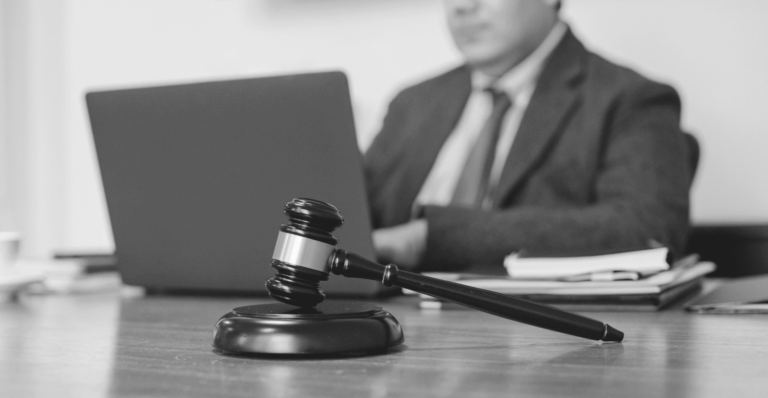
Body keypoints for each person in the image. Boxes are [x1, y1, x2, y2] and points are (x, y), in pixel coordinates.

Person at [365, 0, 692, 272]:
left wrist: (428, 238)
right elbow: (354, 213)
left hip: (534, 336)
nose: (463, 6)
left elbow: (645, 227)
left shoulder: (630, 98)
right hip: (388, 321)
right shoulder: (412, 103)